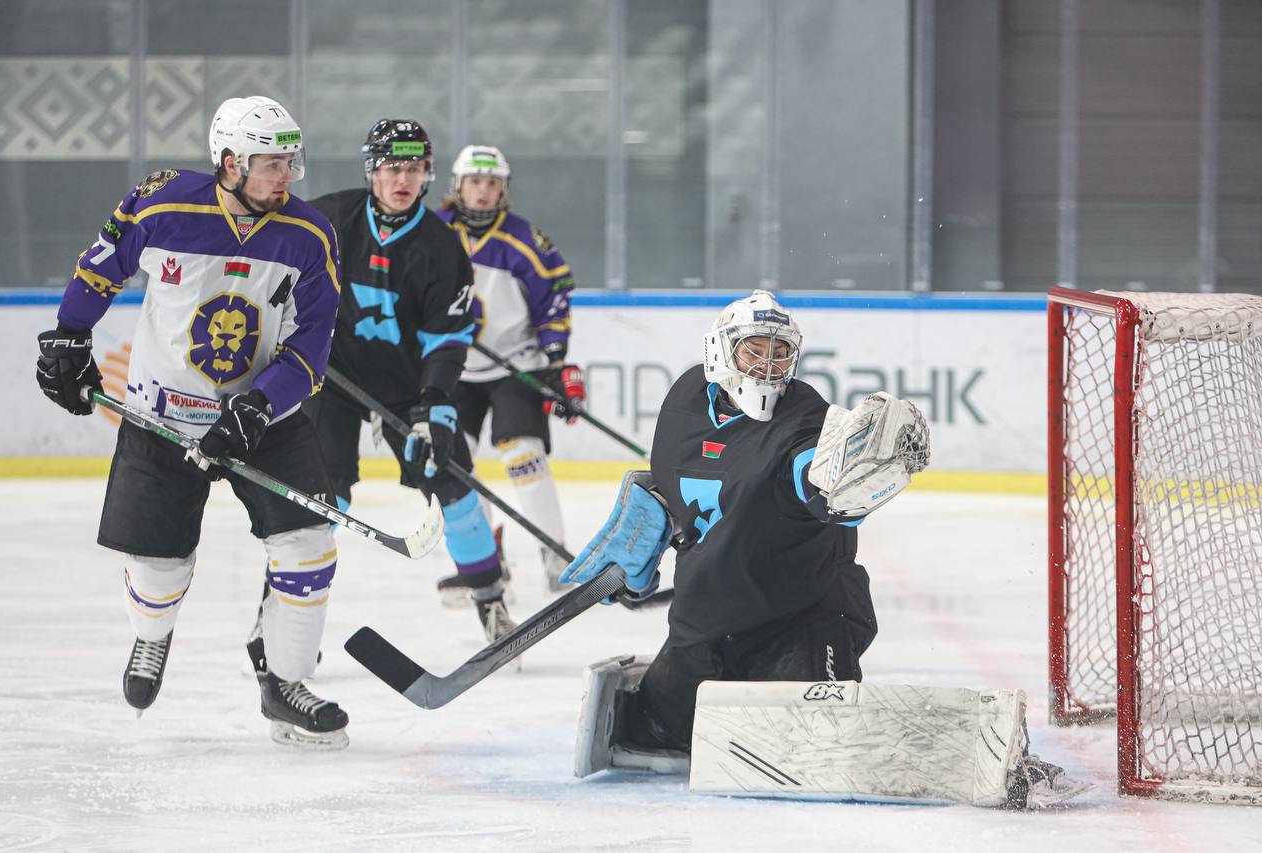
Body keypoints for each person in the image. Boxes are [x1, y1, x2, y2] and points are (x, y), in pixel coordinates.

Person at [561, 290, 1088, 808]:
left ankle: (986, 758)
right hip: (705, 623)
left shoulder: (802, 418)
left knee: (823, 744)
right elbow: (684, 473)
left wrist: (849, 479)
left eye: (780, 353)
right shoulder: (685, 400)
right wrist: (650, 510)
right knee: (651, 730)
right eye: (754, 351)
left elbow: (816, 480)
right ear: (719, 352)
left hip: (801, 620)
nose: (768, 366)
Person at [33, 96, 349, 749]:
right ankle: (152, 635)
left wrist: (260, 404)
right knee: (158, 568)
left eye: (290, 162)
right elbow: (101, 267)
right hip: (162, 415)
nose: (286, 176)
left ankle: (286, 684)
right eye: (271, 164)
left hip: (263, 418)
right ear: (230, 162)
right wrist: (70, 334)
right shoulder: (164, 205)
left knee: (308, 546)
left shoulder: (309, 235)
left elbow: (312, 345)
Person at [303, 121, 516, 643]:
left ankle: (489, 599)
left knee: (454, 486)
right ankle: (284, 614)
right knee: (323, 498)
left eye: (415, 169)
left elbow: (447, 338)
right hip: (334, 378)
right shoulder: (330, 218)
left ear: (428, 174)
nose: (403, 180)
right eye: (393, 168)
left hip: (408, 388)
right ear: (372, 170)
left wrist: (436, 403)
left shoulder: (442, 248)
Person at [436, 145, 583, 598]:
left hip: (515, 366)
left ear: (503, 190)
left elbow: (555, 296)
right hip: (452, 366)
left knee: (524, 455)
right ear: (458, 186)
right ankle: (486, 557)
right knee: (454, 464)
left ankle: (555, 553)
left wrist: (556, 362)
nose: (483, 191)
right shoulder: (433, 233)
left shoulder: (524, 240)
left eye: (492, 183)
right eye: (475, 182)